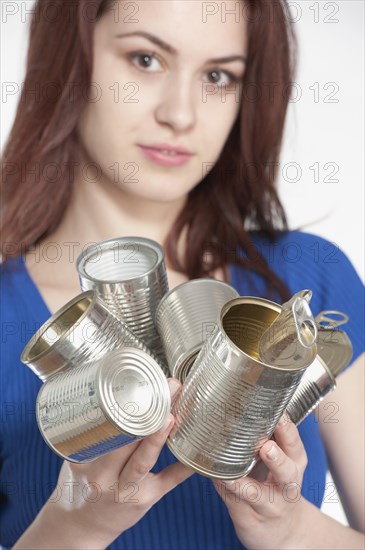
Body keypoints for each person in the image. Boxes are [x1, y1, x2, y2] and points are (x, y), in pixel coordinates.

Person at [1, 0, 364, 548]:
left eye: (218, 76)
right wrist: (72, 529)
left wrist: (291, 533)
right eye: (146, 59)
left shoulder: (312, 276)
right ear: (70, 60)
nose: (181, 114)